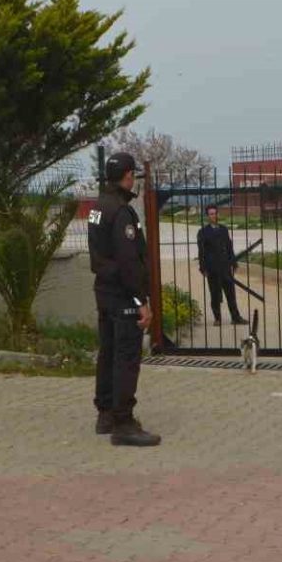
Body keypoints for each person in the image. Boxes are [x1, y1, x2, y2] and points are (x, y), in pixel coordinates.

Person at [87, 151, 161, 447]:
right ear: (128, 176)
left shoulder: (97, 207)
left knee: (107, 353)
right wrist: (141, 300)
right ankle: (123, 423)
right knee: (126, 358)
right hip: (122, 295)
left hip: (104, 292)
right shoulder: (121, 212)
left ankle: (105, 413)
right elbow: (129, 262)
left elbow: (99, 254)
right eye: (133, 176)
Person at [197, 205, 247, 326]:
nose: (214, 216)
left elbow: (229, 247)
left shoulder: (224, 229)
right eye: (211, 214)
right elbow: (201, 251)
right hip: (212, 268)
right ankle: (217, 318)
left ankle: (235, 317)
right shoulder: (203, 232)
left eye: (215, 213)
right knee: (215, 294)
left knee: (231, 293)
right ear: (207, 216)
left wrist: (233, 262)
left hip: (225, 267)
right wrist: (203, 267)